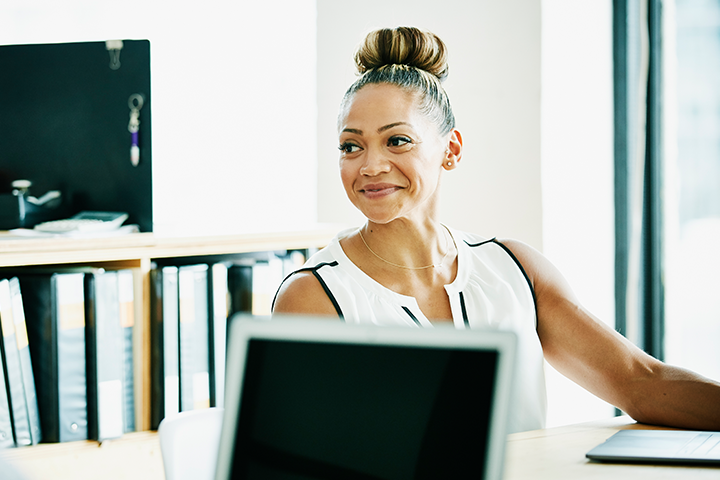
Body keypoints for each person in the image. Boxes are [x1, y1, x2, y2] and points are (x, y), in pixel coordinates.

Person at [272, 26, 720, 433]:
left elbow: (640, 382)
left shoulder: (515, 269)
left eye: (397, 140)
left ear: (451, 150)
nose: (370, 165)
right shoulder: (313, 296)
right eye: (351, 146)